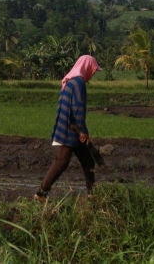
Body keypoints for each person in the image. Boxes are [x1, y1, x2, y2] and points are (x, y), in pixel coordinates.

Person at [35, 54, 100, 200]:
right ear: (87, 67)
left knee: (87, 161)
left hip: (67, 125)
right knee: (62, 161)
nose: (93, 73)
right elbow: (78, 109)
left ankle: (92, 194)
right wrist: (82, 131)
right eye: (93, 70)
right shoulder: (79, 83)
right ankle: (41, 193)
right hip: (72, 130)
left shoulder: (69, 81)